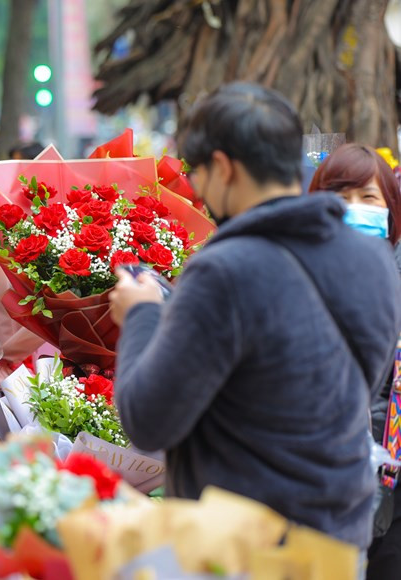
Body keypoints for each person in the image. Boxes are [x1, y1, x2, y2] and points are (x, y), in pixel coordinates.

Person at [108, 82, 401, 553]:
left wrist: (141, 315)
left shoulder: (224, 270)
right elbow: (353, 390)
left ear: (223, 168)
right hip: (338, 537)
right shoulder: (373, 259)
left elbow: (148, 422)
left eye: (199, 174)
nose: (198, 190)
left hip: (245, 546)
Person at [307, 144, 401, 579]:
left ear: (391, 211)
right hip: (316, 491)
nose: (353, 208)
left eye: (368, 198)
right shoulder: (288, 279)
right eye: (339, 196)